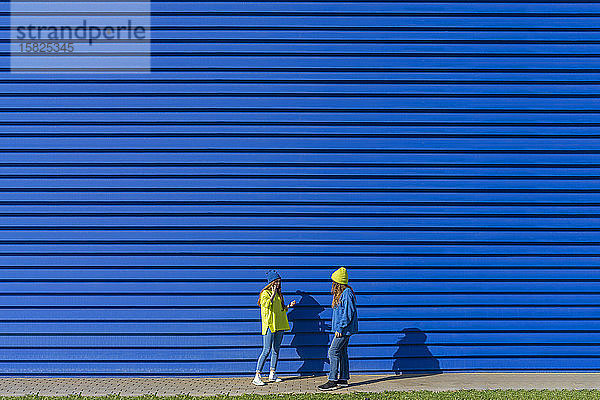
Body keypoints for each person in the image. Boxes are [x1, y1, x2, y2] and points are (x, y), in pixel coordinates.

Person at [253, 269, 296, 386]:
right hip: (269, 325)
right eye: (276, 282)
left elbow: (280, 309)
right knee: (266, 350)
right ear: (271, 282)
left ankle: (272, 373)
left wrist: (288, 306)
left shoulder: (279, 294)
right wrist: (272, 294)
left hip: (279, 325)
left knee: (276, 350)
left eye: (279, 282)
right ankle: (257, 376)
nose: (278, 284)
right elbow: (266, 305)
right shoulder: (265, 294)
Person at [318, 267, 358, 391]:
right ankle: (343, 378)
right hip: (344, 329)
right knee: (342, 352)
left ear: (338, 282)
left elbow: (347, 313)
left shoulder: (346, 294)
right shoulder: (343, 293)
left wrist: (340, 328)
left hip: (343, 330)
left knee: (332, 351)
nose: (332, 284)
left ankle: (332, 380)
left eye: (333, 282)